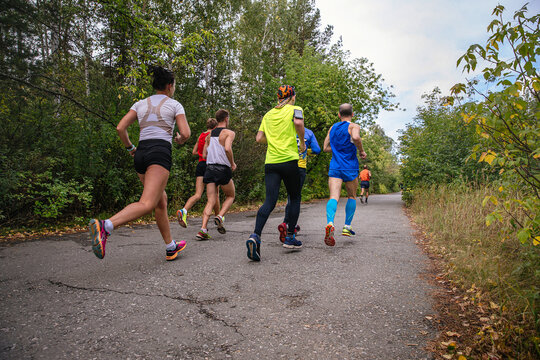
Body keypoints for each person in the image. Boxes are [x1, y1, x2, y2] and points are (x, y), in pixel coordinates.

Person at [88, 66, 190, 261]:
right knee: (147, 203)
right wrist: (179, 140)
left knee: (161, 200)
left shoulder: (140, 104)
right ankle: (106, 226)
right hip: (159, 154)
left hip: (141, 153)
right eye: (174, 85)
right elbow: (185, 133)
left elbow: (120, 127)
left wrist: (130, 148)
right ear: (169, 86)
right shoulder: (175, 105)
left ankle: (170, 247)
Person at [246, 85, 306, 261]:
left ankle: (255, 236)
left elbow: (259, 138)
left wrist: (273, 140)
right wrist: (301, 142)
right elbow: (298, 123)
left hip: (271, 162)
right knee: (294, 197)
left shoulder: (268, 114)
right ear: (292, 97)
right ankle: (290, 237)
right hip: (289, 160)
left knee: (270, 201)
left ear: (278, 98)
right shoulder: (296, 109)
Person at [323, 103, 367, 246]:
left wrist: (337, 150)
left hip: (335, 167)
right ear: (352, 114)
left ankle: (330, 223)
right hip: (350, 167)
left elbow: (325, 148)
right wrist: (361, 151)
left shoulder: (333, 127)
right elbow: (356, 137)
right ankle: (347, 227)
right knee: (351, 196)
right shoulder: (353, 126)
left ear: (339, 114)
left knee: (333, 197)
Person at [197, 109, 236, 240]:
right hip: (222, 168)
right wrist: (232, 163)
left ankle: (203, 229)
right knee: (230, 195)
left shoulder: (209, 135)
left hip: (209, 168)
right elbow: (227, 149)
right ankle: (220, 216)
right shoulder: (229, 133)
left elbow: (204, 154)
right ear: (226, 119)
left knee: (211, 200)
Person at [277, 127, 321, 242]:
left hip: (286, 165)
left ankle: (286, 223)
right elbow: (317, 150)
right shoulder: (309, 133)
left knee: (290, 197)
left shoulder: (286, 129)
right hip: (300, 167)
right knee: (295, 197)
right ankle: (289, 226)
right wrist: (307, 151)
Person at [176, 118, 220, 227]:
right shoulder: (214, 135)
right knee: (216, 194)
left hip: (200, 165)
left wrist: (201, 154)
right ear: (215, 126)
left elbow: (194, 152)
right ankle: (219, 218)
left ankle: (184, 210)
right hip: (210, 165)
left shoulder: (201, 136)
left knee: (198, 194)